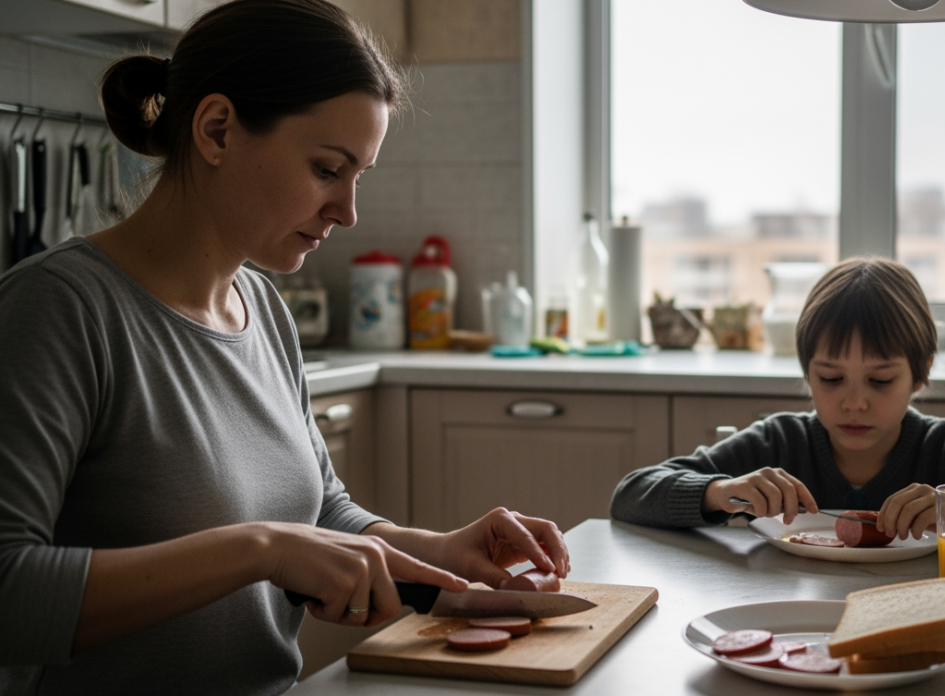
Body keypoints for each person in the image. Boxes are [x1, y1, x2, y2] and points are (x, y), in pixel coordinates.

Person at [0, 2, 568, 694]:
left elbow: (320, 512)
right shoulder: (58, 311)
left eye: (359, 177)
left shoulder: (263, 308)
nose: (348, 212)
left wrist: (435, 550)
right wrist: (257, 550)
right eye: (329, 170)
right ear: (216, 130)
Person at [610, 256, 945, 550]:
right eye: (831, 378)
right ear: (806, 375)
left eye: (880, 381)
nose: (853, 402)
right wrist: (720, 492)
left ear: (921, 374)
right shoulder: (779, 442)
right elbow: (630, 494)